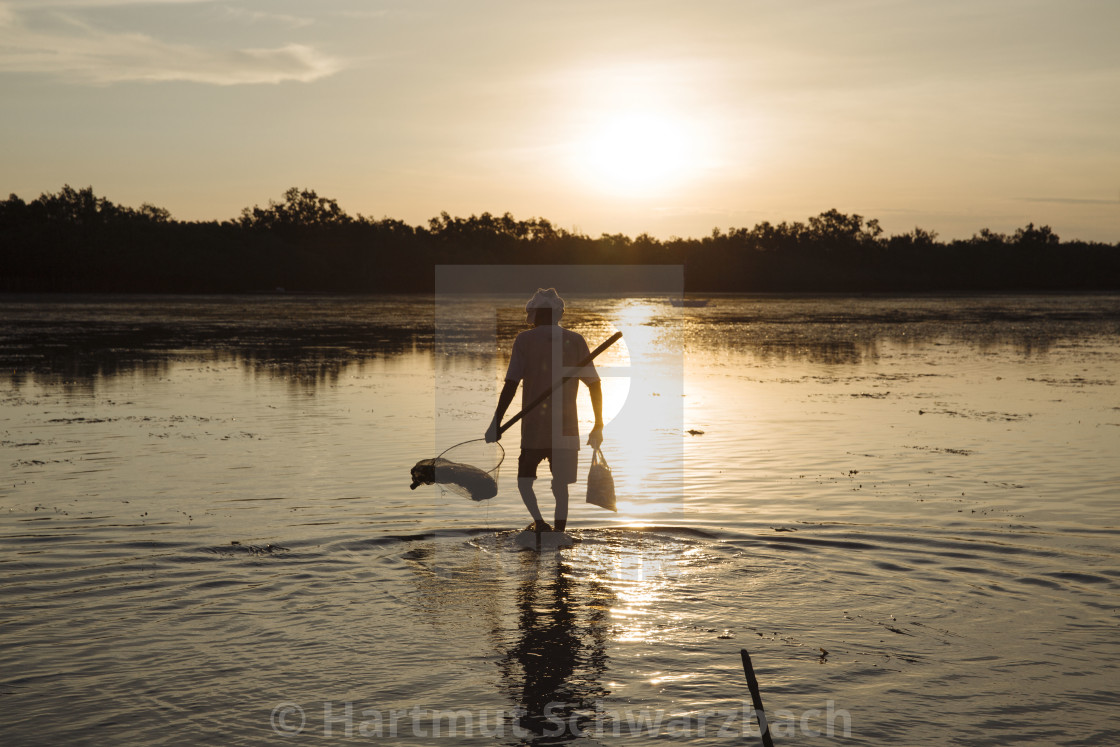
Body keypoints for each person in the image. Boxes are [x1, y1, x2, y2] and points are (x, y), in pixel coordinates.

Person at [485, 288, 604, 533]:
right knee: (561, 488)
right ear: (557, 314)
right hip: (566, 428)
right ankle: (558, 534)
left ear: (537, 314)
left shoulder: (525, 340)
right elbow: (594, 384)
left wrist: (496, 422)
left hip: (534, 428)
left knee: (524, 481)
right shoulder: (575, 339)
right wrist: (598, 423)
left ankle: (540, 523)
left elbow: (511, 384)